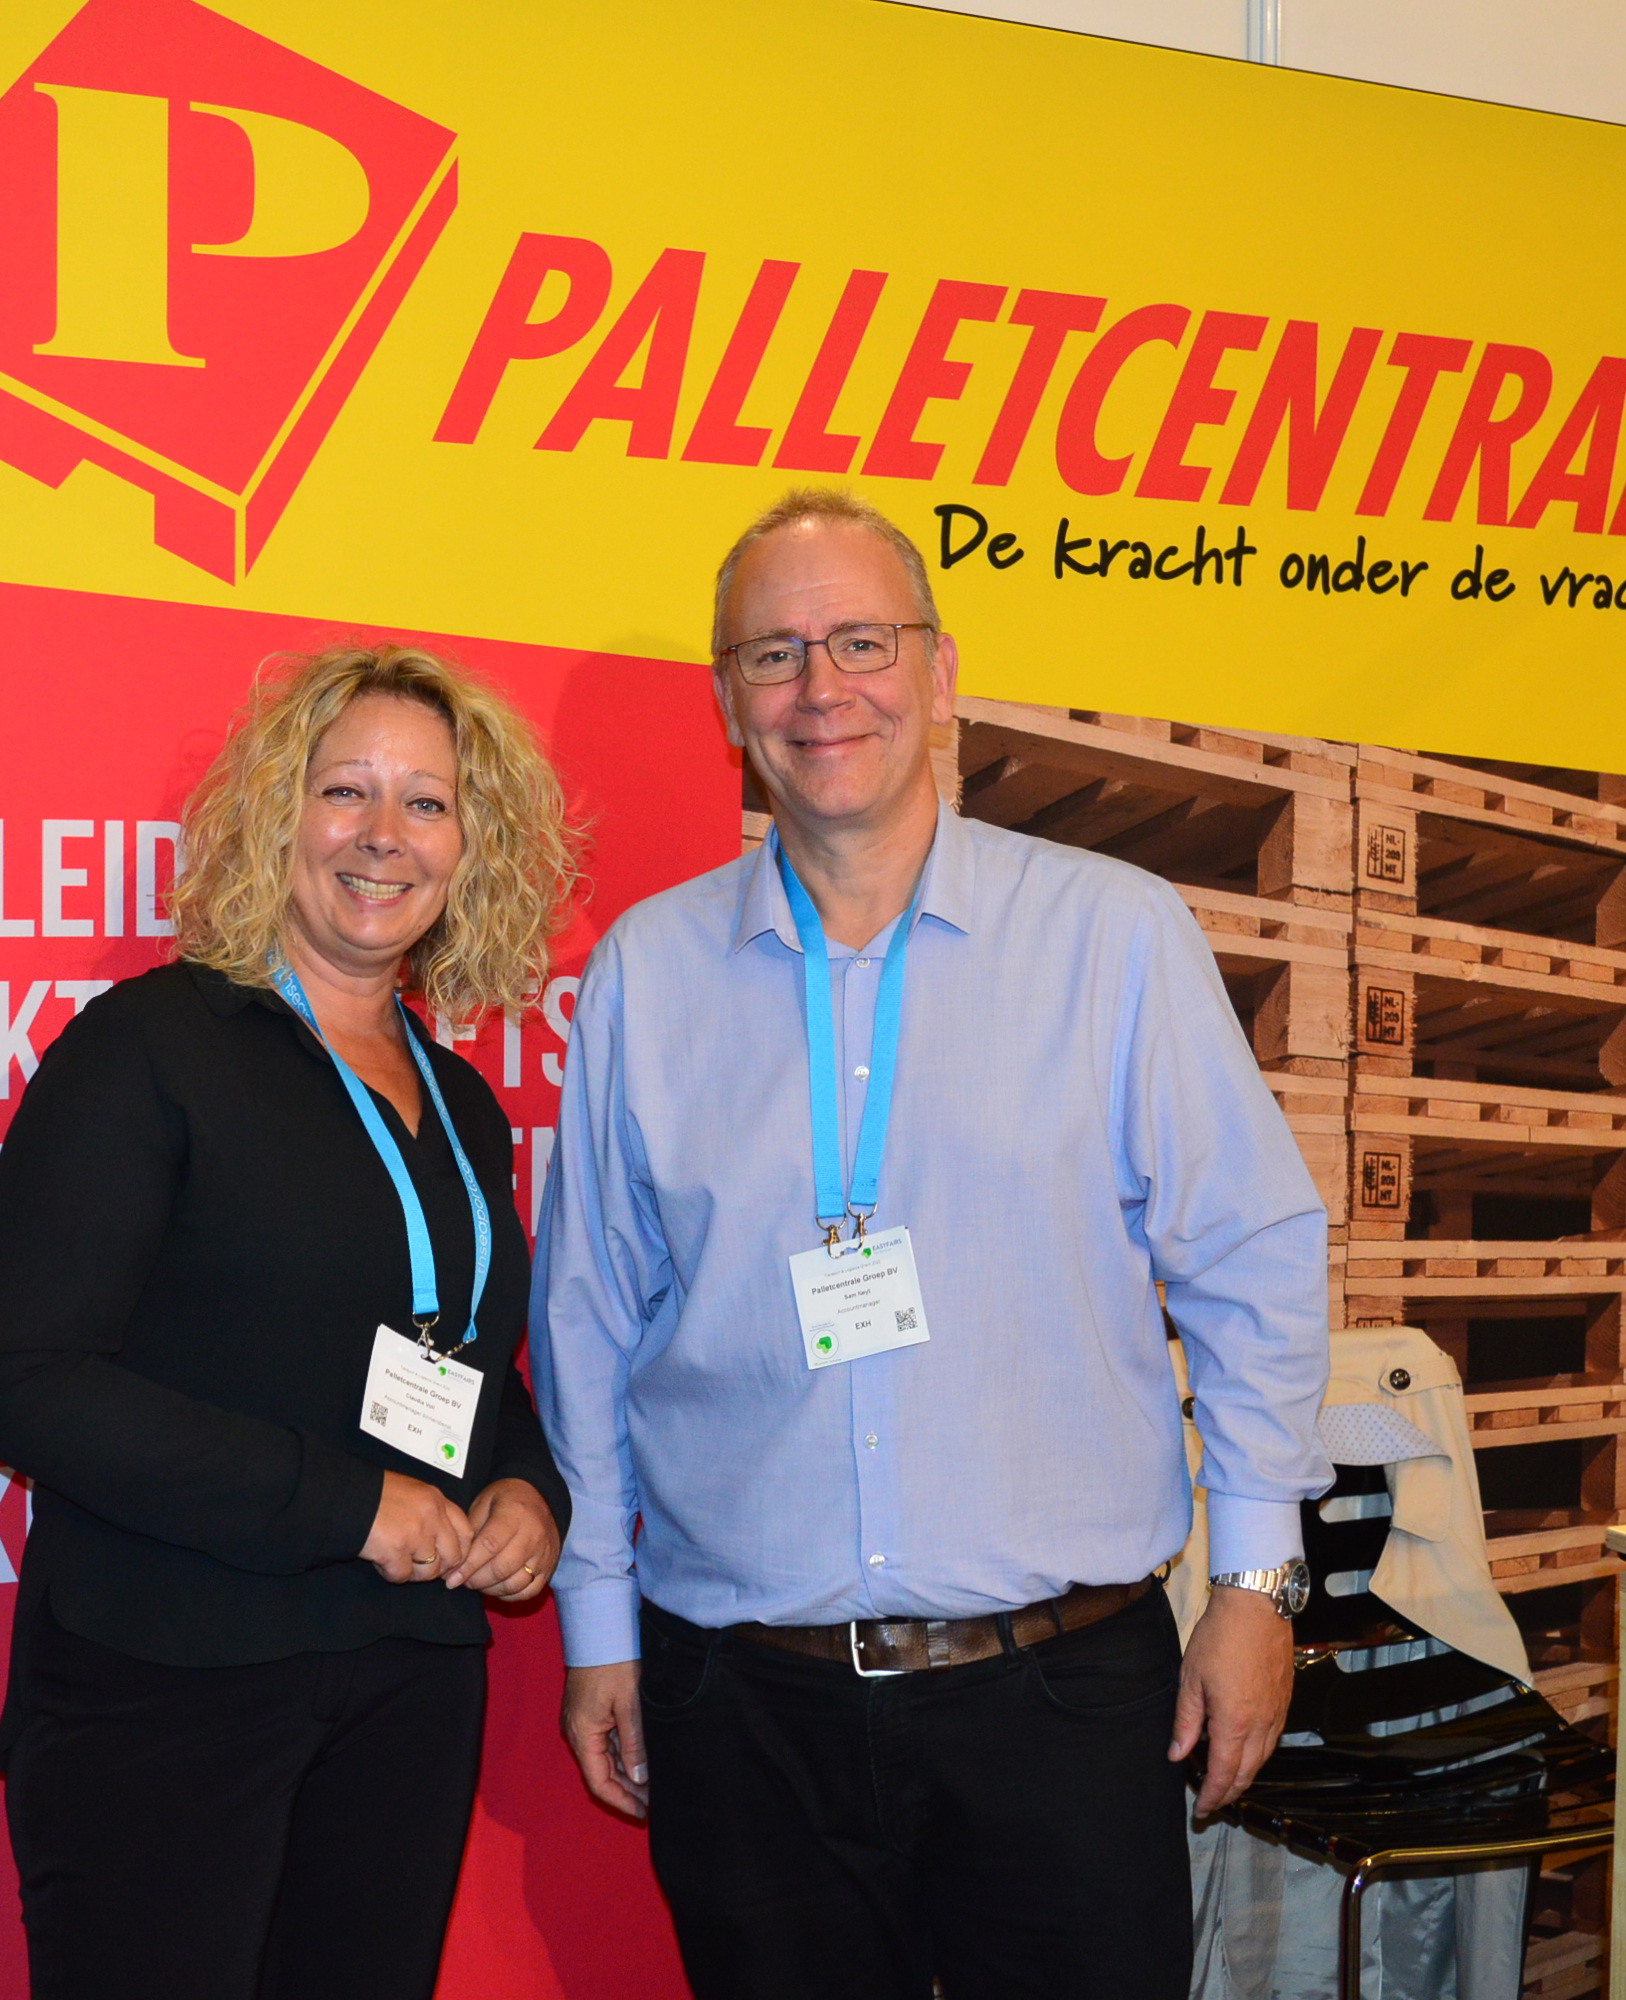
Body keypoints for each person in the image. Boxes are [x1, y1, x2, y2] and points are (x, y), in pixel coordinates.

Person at [532, 490, 1334, 2000]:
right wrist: (594, 1623)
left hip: (1060, 1700)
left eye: (861, 641)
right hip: (745, 1712)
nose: (820, 689)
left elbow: (1254, 1262)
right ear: (728, 703)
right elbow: (587, 1319)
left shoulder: (1113, 936)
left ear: (942, 672)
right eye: (774, 654)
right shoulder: (649, 971)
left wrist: (1256, 1588)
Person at [0, 643, 579, 2000]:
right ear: (273, 813)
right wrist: (344, 1506)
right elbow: (15, 1377)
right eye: (344, 790)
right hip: (168, 1682)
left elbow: (466, 1360)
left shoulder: (462, 1103)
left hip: (406, 1683)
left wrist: (529, 1488)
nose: (383, 834)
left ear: (472, 847)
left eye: (427, 803)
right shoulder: (146, 1047)